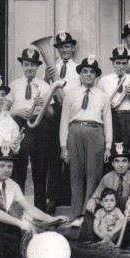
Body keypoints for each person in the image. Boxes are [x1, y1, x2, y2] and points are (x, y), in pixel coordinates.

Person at [59, 55, 112, 227]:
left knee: (93, 174)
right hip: (75, 132)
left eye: (92, 72)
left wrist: (108, 146)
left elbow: (108, 122)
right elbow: (64, 120)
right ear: (80, 75)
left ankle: (87, 214)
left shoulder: (103, 96)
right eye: (85, 71)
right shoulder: (71, 95)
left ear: (96, 76)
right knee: (75, 173)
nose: (88, 75)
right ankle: (75, 214)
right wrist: (63, 146)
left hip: (95, 132)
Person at [4, 48, 54, 211]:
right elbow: (3, 112)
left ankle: (40, 210)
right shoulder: (13, 85)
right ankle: (18, 208)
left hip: (40, 127)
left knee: (40, 169)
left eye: (33, 65)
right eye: (26, 64)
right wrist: (16, 112)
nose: (29, 68)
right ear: (22, 65)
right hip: (20, 126)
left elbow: (52, 115)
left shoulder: (45, 86)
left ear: (37, 66)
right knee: (19, 168)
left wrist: (43, 106)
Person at [79, 143, 130, 245]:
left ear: (129, 163)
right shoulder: (107, 177)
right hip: (110, 207)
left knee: (126, 202)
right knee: (92, 206)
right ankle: (88, 239)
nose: (120, 165)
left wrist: (129, 207)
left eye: (124, 161)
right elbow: (97, 194)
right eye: (117, 161)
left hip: (126, 209)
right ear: (112, 163)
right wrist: (93, 199)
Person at [45, 31, 80, 213]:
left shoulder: (79, 68)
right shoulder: (52, 68)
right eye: (61, 47)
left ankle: (68, 194)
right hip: (55, 111)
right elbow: (44, 91)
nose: (64, 50)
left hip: (73, 111)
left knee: (70, 153)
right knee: (54, 153)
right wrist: (47, 79)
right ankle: (53, 196)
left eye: (67, 46)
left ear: (73, 48)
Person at [97, 45, 130, 148]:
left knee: (129, 148)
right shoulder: (104, 80)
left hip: (129, 117)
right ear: (113, 63)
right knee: (110, 147)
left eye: (124, 63)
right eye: (118, 63)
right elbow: (97, 104)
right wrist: (106, 104)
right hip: (110, 116)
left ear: (128, 63)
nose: (121, 66)